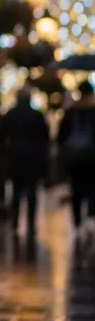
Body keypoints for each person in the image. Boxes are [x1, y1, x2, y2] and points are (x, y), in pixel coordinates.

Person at [0, 86, 50, 239]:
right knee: (31, 192)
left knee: (16, 191)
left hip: (15, 157)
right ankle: (31, 222)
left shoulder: (10, 114)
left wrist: (5, 151)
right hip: (33, 158)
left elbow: (0, 135)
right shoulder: (36, 115)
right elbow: (44, 138)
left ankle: (15, 220)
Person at [58, 80, 95, 240]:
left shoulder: (71, 111)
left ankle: (77, 221)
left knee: (77, 189)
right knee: (92, 188)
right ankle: (90, 217)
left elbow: (61, 136)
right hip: (92, 157)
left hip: (74, 157)